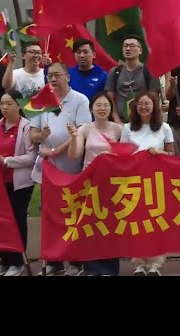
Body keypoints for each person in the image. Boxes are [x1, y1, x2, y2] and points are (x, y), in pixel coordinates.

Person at [30, 63, 92, 276]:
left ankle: (75, 261)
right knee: (51, 214)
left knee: (73, 213)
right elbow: (33, 134)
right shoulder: (42, 100)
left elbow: (81, 133)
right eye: (49, 76)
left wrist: (56, 149)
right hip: (48, 168)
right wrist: (42, 137)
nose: (53, 79)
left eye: (57, 75)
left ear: (68, 77)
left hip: (72, 167)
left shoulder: (80, 100)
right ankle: (54, 261)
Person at [66, 91, 123, 276]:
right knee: (90, 226)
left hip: (112, 184)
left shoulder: (118, 129)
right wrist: (74, 137)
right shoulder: (85, 129)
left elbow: (127, 156)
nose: (102, 108)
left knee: (110, 227)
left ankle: (110, 268)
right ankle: (91, 268)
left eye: (106, 105)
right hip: (89, 183)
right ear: (92, 108)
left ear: (111, 108)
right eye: (98, 105)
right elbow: (74, 155)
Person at [120, 91, 174, 276]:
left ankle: (155, 264)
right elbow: (122, 156)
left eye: (148, 104)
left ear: (155, 106)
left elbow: (172, 156)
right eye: (140, 104)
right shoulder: (127, 128)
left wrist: (160, 155)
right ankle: (139, 264)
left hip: (157, 182)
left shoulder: (164, 127)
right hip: (134, 182)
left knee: (156, 222)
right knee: (136, 223)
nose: (144, 107)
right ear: (135, 106)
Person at [0, 91, 38, 276]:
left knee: (17, 220)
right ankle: (4, 260)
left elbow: (31, 156)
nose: (5, 107)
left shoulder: (26, 127)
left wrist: (6, 161)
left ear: (19, 105)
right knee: (0, 221)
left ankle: (18, 261)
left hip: (18, 183)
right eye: (2, 103)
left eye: (9, 103)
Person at [105, 35, 161, 124]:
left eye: (132, 46)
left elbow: (153, 99)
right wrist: (117, 120)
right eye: (125, 46)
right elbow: (109, 99)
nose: (128, 49)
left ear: (140, 51)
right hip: (120, 122)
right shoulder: (115, 71)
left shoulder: (149, 71)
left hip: (143, 121)